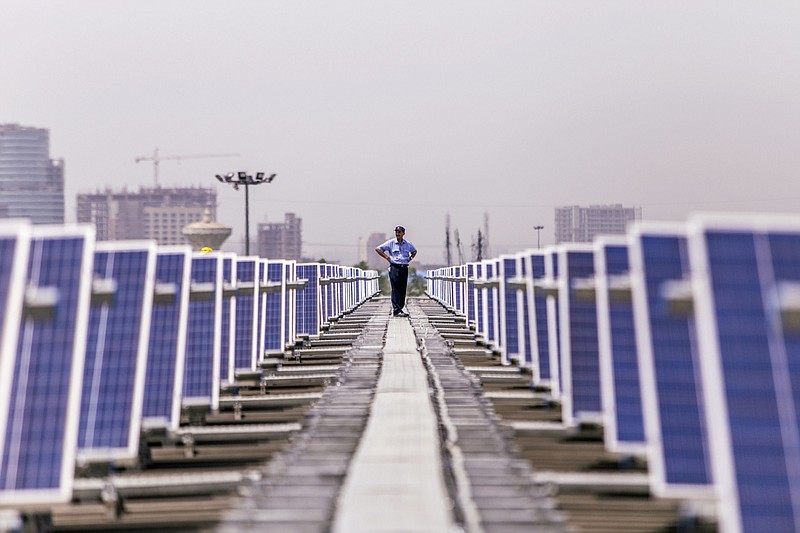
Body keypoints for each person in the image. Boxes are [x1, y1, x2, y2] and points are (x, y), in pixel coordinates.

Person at [375, 225, 417, 317]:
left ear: (403, 233)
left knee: (403, 288)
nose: (397, 234)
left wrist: (409, 258)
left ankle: (400, 308)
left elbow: (414, 251)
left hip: (404, 268)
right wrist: (387, 257)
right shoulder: (391, 243)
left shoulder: (407, 244)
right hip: (395, 267)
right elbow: (378, 249)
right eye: (396, 232)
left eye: (399, 232)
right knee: (395, 288)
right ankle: (396, 310)